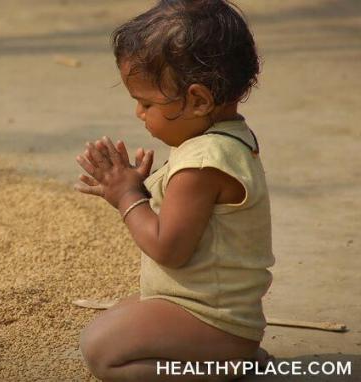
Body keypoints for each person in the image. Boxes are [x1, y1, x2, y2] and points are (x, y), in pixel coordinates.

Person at [73, 1, 276, 381]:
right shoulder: (226, 139)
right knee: (121, 314)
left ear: (198, 100)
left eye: (146, 102)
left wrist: (127, 198)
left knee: (100, 350)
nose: (139, 113)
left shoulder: (202, 165)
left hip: (214, 320)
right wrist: (136, 188)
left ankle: (227, 369)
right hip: (212, 310)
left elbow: (169, 249)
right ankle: (235, 359)